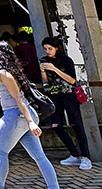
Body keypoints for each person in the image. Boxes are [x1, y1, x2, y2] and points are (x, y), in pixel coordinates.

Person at [0, 41, 66, 189]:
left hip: (15, 116)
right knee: (40, 157)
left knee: (0, 152)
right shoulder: (9, 71)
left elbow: (18, 98)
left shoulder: (4, 73)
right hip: (24, 116)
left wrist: (30, 123)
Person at [39, 37, 92, 170]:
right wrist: (43, 70)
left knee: (77, 125)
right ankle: (74, 154)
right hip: (54, 96)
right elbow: (47, 81)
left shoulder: (66, 60)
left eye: (50, 49)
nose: (47, 51)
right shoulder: (45, 60)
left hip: (69, 95)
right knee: (56, 125)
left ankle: (85, 156)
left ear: (57, 48)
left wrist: (54, 69)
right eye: (45, 49)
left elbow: (72, 80)